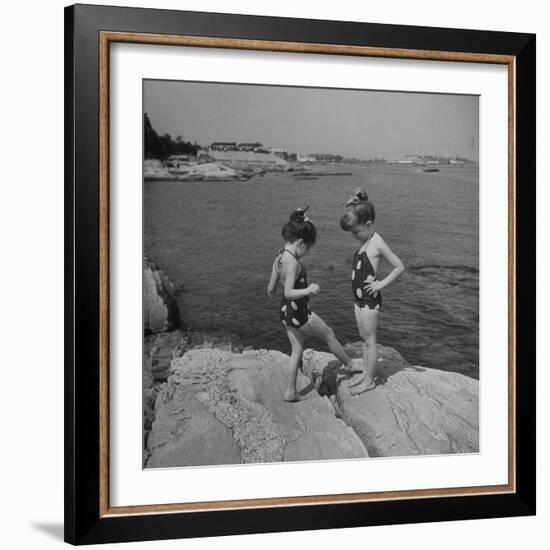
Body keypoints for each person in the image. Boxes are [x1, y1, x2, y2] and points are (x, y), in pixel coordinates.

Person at [267, 207, 361, 402]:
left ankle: (290, 392)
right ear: (300, 243)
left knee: (296, 351)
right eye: (307, 248)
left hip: (285, 313)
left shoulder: (278, 257)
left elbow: (271, 290)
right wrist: (308, 290)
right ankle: (350, 365)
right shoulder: (292, 262)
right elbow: (289, 292)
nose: (307, 252)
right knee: (329, 334)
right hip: (300, 314)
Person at [340, 189, 405, 395]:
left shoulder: (376, 241)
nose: (354, 236)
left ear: (368, 225)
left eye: (356, 231)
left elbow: (399, 266)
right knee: (363, 338)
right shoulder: (364, 240)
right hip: (358, 300)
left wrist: (380, 284)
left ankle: (369, 380)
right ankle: (365, 373)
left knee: (370, 340)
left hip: (369, 300)